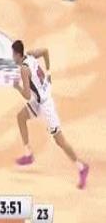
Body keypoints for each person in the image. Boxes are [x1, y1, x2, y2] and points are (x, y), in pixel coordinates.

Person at [11, 40, 89, 189]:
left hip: (45, 105)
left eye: (13, 55)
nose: (12, 57)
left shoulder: (24, 70)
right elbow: (45, 51)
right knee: (21, 117)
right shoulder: (30, 55)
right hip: (38, 100)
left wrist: (17, 87)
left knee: (59, 140)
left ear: (18, 55)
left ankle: (82, 167)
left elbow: (27, 95)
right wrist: (49, 72)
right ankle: (28, 154)